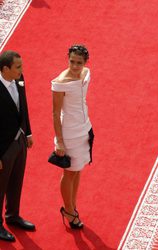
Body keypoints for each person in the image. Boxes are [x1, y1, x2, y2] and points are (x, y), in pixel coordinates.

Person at [51, 44, 94, 229]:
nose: (75, 66)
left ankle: (72, 205)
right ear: (67, 59)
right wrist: (59, 141)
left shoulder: (86, 73)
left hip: (85, 128)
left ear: (85, 62)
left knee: (77, 170)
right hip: (69, 133)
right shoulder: (61, 82)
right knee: (69, 172)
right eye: (71, 61)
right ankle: (68, 211)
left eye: (79, 62)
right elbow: (55, 113)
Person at [0, 50, 35, 242]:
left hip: (20, 140)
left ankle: (12, 215)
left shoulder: (20, 80)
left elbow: (24, 107)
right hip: (3, 147)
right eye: (18, 67)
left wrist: (27, 132)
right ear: (6, 69)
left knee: (16, 180)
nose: (22, 70)